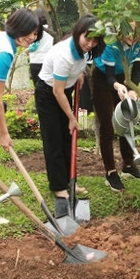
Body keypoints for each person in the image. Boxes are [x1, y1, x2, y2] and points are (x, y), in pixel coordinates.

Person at [35, 14, 104, 216]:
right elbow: (57, 91)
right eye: (87, 38)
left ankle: (69, 181)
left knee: (67, 139)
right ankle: (59, 187)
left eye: (94, 40)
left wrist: (78, 74)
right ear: (78, 33)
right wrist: (72, 118)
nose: (90, 44)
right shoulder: (64, 54)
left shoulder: (79, 50)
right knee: (54, 140)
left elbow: (72, 73)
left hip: (64, 92)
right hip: (48, 94)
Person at [92, 21, 140, 192]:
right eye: (128, 33)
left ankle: (128, 165)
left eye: (136, 33)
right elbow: (108, 76)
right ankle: (110, 173)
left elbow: (137, 68)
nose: (131, 37)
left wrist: (132, 90)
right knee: (107, 125)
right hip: (103, 79)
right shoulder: (111, 43)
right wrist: (117, 87)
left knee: (126, 119)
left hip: (123, 77)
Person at [0, 8, 41, 151]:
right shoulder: (4, 53)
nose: (32, 37)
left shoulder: (1, 37)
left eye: (35, 33)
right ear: (19, 27)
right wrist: (4, 134)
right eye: (30, 32)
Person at [27, 9, 54, 87]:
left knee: (37, 86)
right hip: (48, 61)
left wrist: (27, 50)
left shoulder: (35, 30)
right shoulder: (51, 30)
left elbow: (34, 46)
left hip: (35, 60)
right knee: (48, 86)